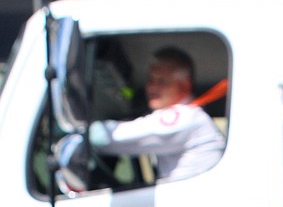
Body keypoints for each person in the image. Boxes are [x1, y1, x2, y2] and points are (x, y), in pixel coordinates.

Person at [86, 46, 225, 181]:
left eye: (162, 81)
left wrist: (78, 131)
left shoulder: (186, 117)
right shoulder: (192, 116)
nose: (152, 87)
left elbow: (110, 137)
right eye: (150, 80)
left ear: (185, 85)